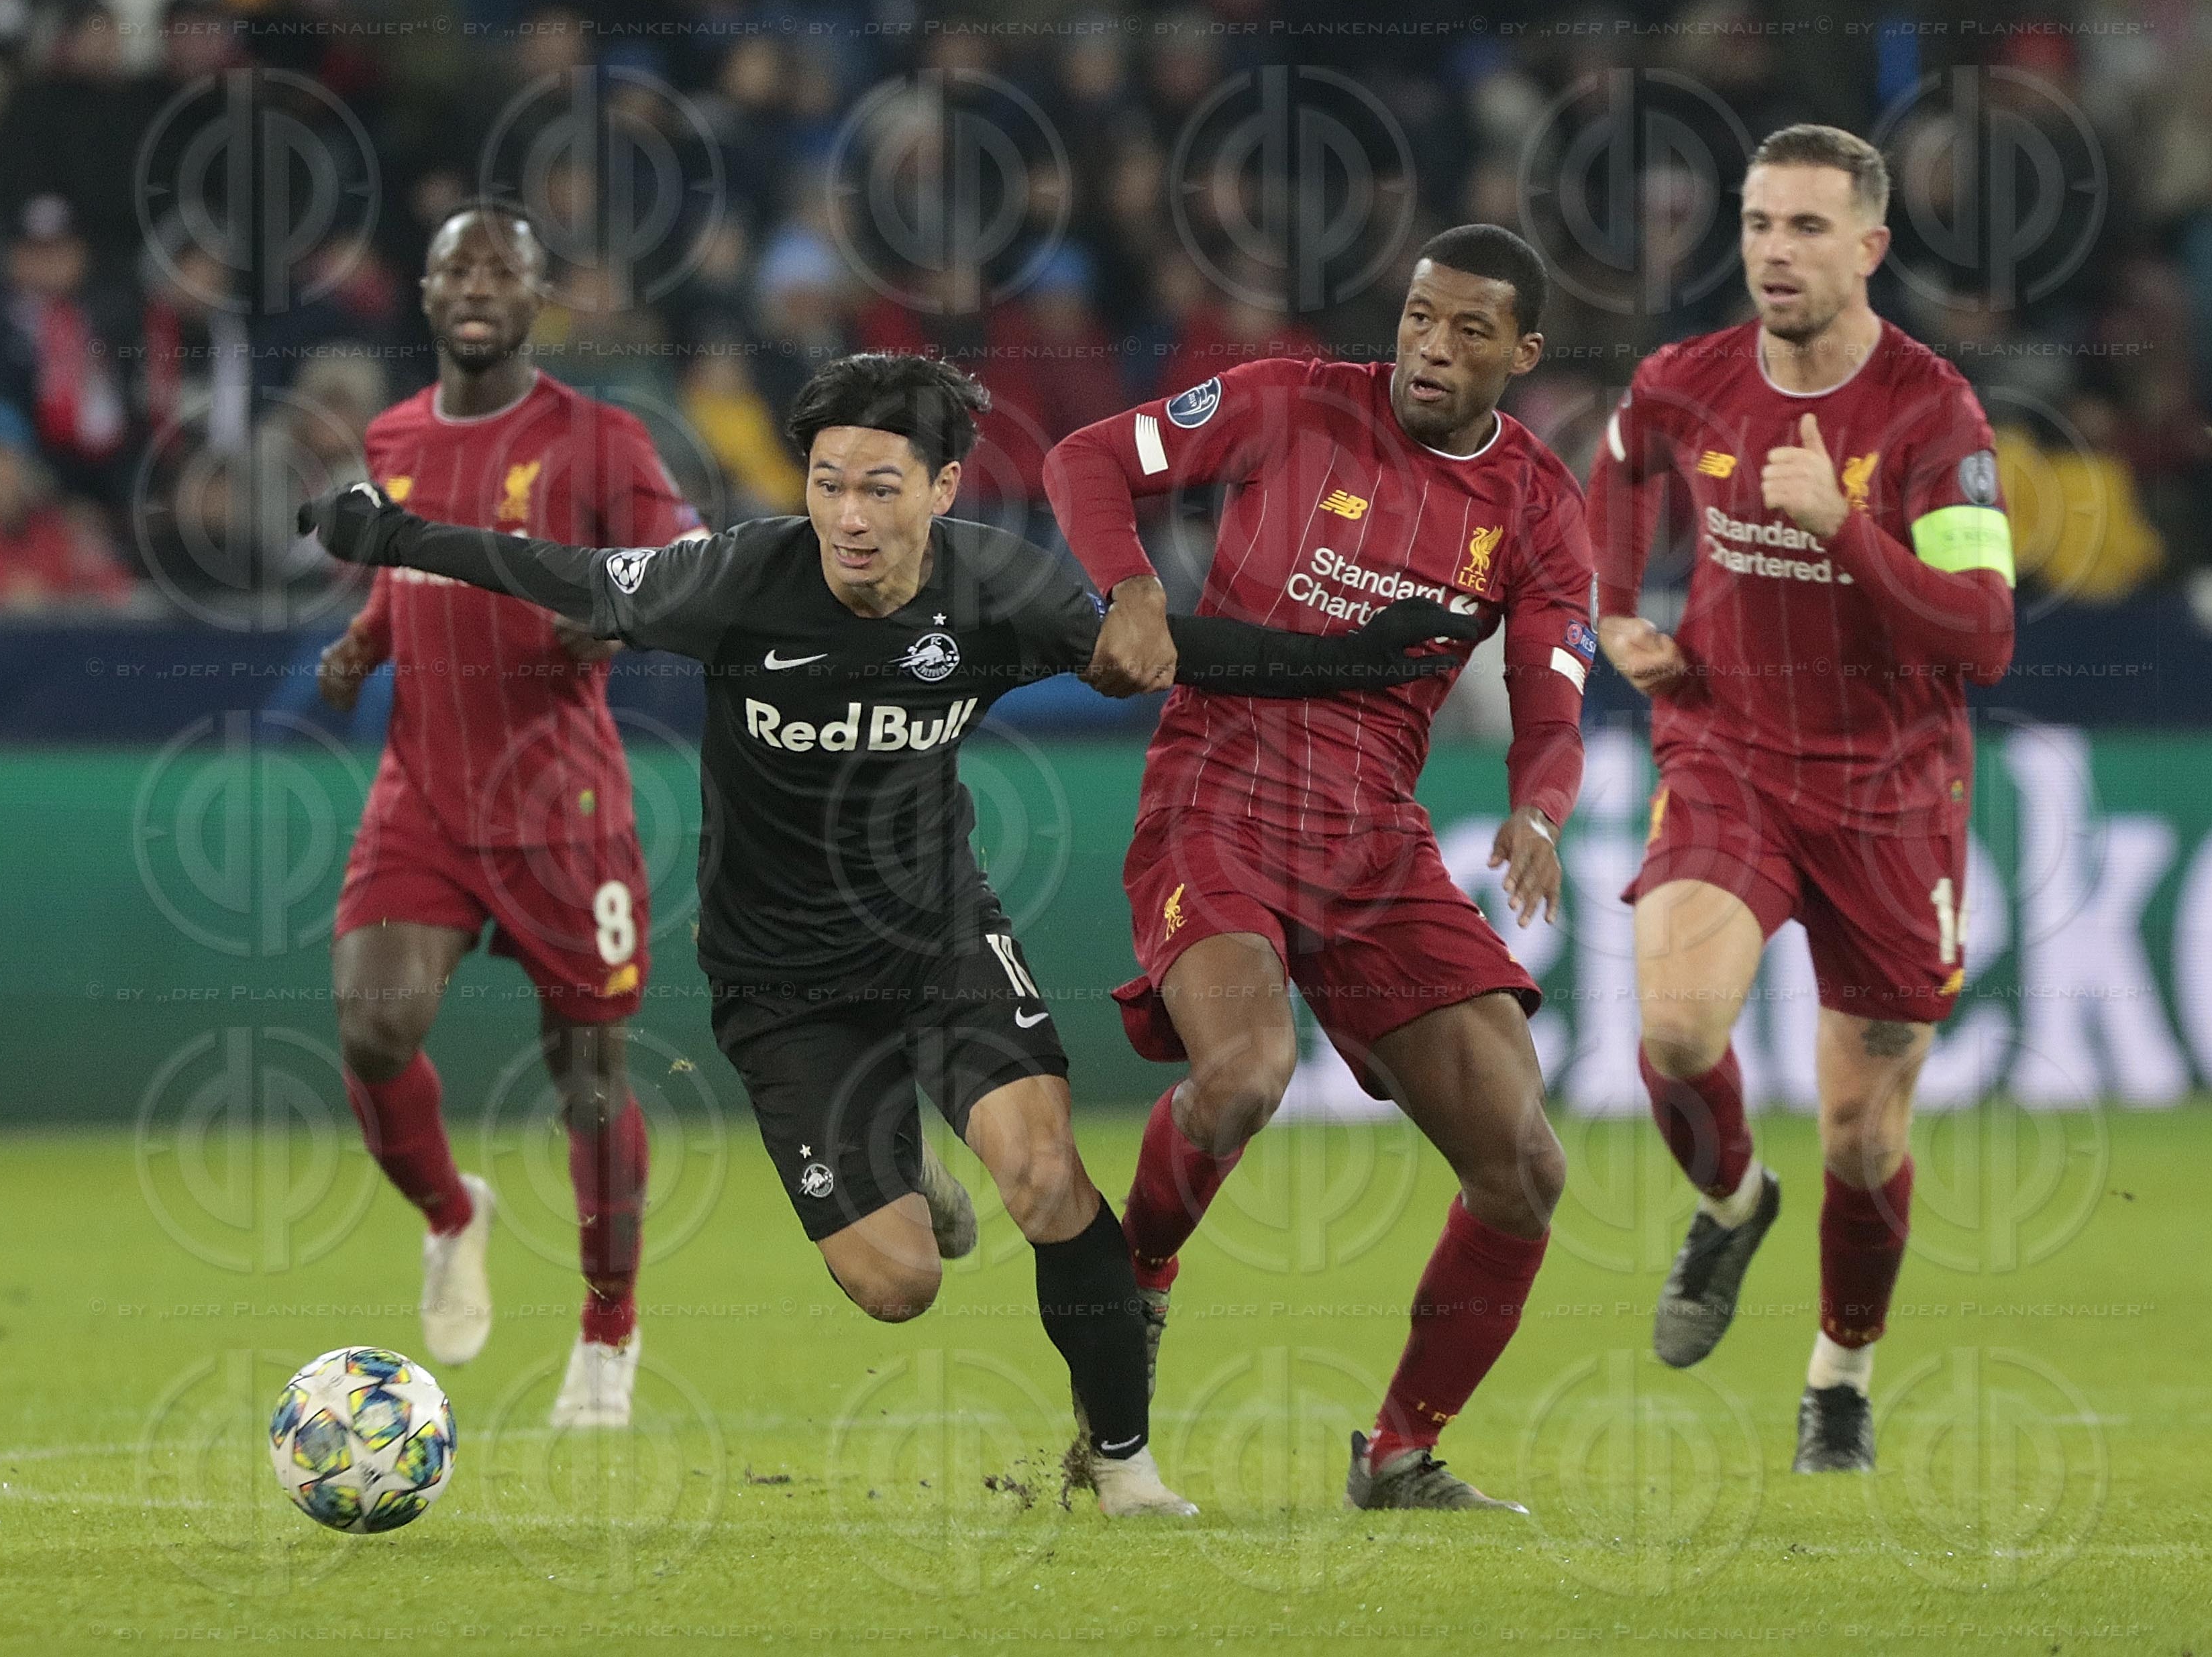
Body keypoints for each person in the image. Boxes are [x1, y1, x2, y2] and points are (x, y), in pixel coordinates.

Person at [299, 350, 1462, 1517]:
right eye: (827, 484)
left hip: (937, 937)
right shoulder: (734, 578)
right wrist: (390, 537)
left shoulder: (999, 588)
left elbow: (1177, 651)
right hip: (780, 984)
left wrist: (1354, 657)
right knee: (899, 1284)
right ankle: (902, 1164)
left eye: (880, 488)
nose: (848, 517)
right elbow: (559, 569)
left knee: (1044, 1176)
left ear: (943, 489)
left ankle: (1122, 1464)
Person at [1041, 223, 1595, 1510]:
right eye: (1418, 318)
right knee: (1244, 1077)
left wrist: (1541, 811)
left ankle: (1400, 1456)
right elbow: (1084, 459)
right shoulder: (1290, 400)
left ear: (1523, 354)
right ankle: (1140, 1290)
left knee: (1525, 1170)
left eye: (1468, 331)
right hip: (1217, 796)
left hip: (1373, 836)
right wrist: (1132, 590)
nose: (1430, 349)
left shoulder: (1538, 505)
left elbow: (1553, 703)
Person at [1584, 124, 2015, 1473]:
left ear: (1870, 247)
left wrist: (1844, 526)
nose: (1775, 251)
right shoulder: (1691, 378)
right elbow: (1621, 458)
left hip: (1893, 794)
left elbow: (1984, 636)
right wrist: (1614, 608)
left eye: (1808, 228)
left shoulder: (1936, 416)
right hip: (1732, 753)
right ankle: (1731, 1201)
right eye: (1760, 223)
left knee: (1862, 1130)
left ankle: (1840, 1375)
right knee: (1674, 1028)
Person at [317, 201, 707, 1428]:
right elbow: (409, 565)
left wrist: (621, 615)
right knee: (374, 1029)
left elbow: (687, 562)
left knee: (586, 1072)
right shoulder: (392, 433)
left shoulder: (600, 439)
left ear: (539, 298)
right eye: (457, 266)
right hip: (424, 791)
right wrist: (367, 637)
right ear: (427, 293)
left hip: (562, 806)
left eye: (504, 268)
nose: (479, 284)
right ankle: (452, 1213)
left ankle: (608, 1328)